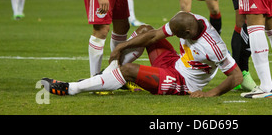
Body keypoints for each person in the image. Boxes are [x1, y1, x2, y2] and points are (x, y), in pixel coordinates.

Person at [41, 12, 243, 97]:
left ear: (188, 34)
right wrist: (122, 46)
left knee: (128, 70)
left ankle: (72, 88)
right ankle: (108, 77)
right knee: (146, 30)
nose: (173, 35)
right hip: (175, 64)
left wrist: (209, 93)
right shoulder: (192, 20)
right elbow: (154, 35)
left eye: (177, 35)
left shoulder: (214, 46)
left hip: (182, 82)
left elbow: (236, 76)